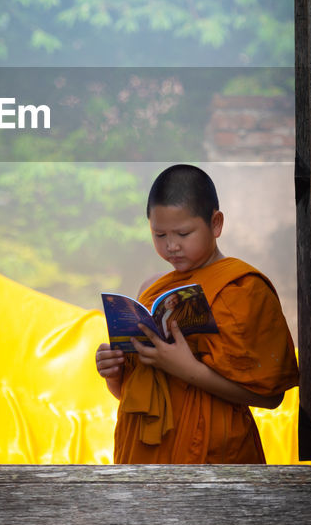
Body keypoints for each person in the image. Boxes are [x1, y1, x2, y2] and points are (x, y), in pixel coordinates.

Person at [95, 164, 300, 463]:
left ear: (215, 224)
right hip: (142, 453)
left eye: (183, 233)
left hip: (214, 456)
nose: (172, 246)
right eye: (160, 234)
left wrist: (185, 369)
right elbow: (133, 395)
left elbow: (269, 396)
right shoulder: (152, 290)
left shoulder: (243, 288)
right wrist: (113, 374)